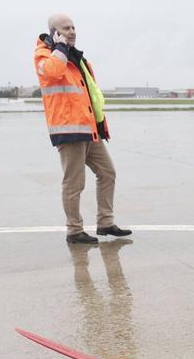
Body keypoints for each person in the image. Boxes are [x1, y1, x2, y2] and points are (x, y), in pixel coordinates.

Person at [34, 14, 132, 245]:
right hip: (69, 130)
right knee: (74, 183)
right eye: (66, 28)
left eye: (74, 27)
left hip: (89, 129)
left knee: (107, 172)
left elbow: (90, 94)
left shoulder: (79, 59)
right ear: (54, 32)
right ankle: (74, 230)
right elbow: (52, 72)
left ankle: (106, 222)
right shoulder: (45, 55)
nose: (72, 31)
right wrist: (59, 48)